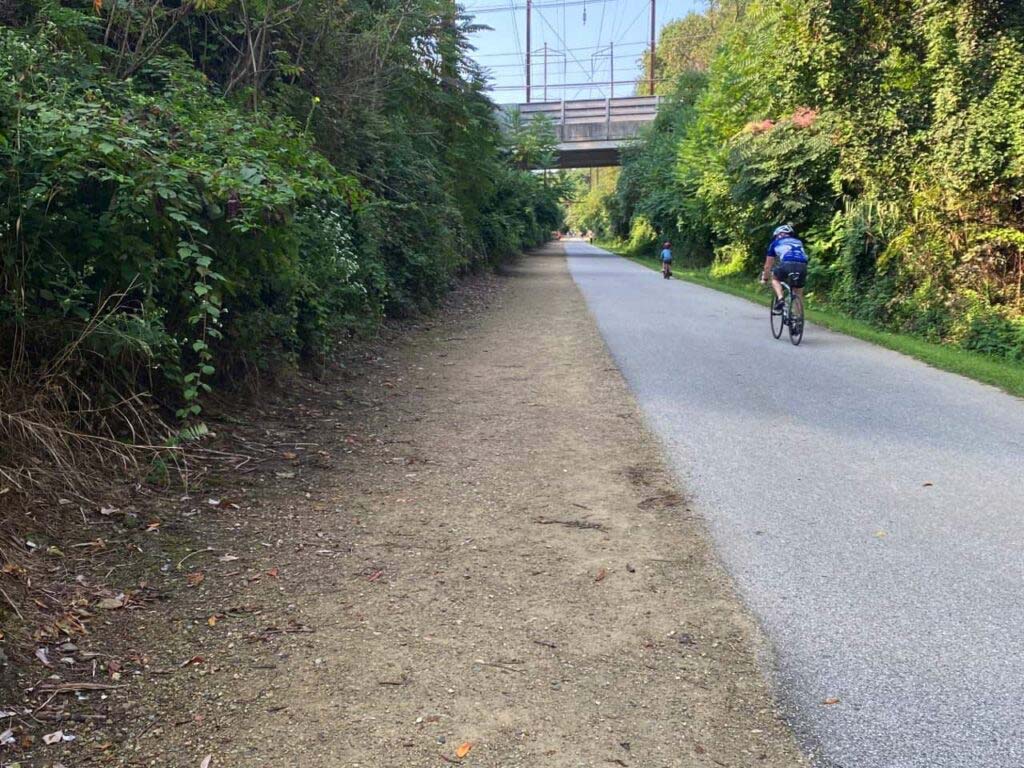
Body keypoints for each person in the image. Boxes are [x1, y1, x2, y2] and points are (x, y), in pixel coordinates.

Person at [761, 224, 807, 309]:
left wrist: (765, 279)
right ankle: (797, 320)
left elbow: (768, 266)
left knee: (775, 279)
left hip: (787, 263)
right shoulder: (798, 242)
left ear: (778, 235)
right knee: (798, 293)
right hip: (802, 265)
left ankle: (780, 299)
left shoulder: (775, 243)